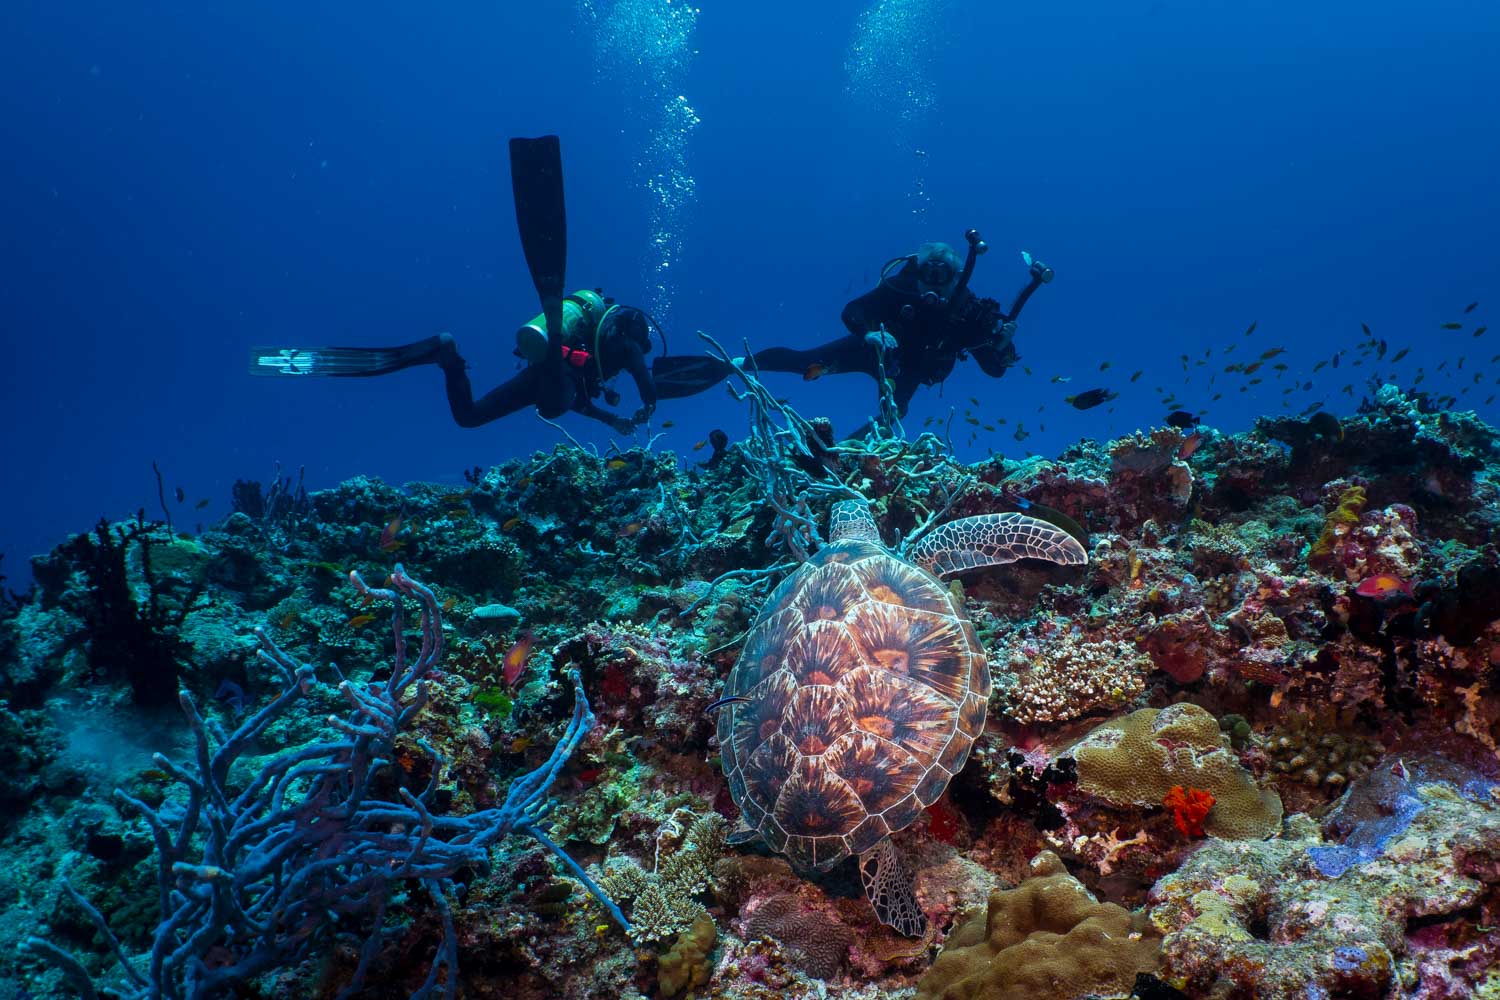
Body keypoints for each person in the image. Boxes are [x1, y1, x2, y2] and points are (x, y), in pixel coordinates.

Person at [652, 229, 1053, 421]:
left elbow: (995, 369)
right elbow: (851, 310)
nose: (932, 281)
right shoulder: (899, 289)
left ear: (954, 275)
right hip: (872, 350)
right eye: (926, 272)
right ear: (917, 271)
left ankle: (842, 461)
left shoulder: (970, 309)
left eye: (942, 274)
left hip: (913, 370)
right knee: (802, 361)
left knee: (892, 413)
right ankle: (731, 363)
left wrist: (1000, 344)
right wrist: (869, 333)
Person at [250, 288, 662, 434]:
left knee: (469, 417)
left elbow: (579, 400)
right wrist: (649, 401)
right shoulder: (623, 345)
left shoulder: (597, 362)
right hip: (551, 373)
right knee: (553, 404)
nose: (632, 362)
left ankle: (446, 355)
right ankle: (552, 333)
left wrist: (615, 422)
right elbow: (637, 367)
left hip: (545, 376)